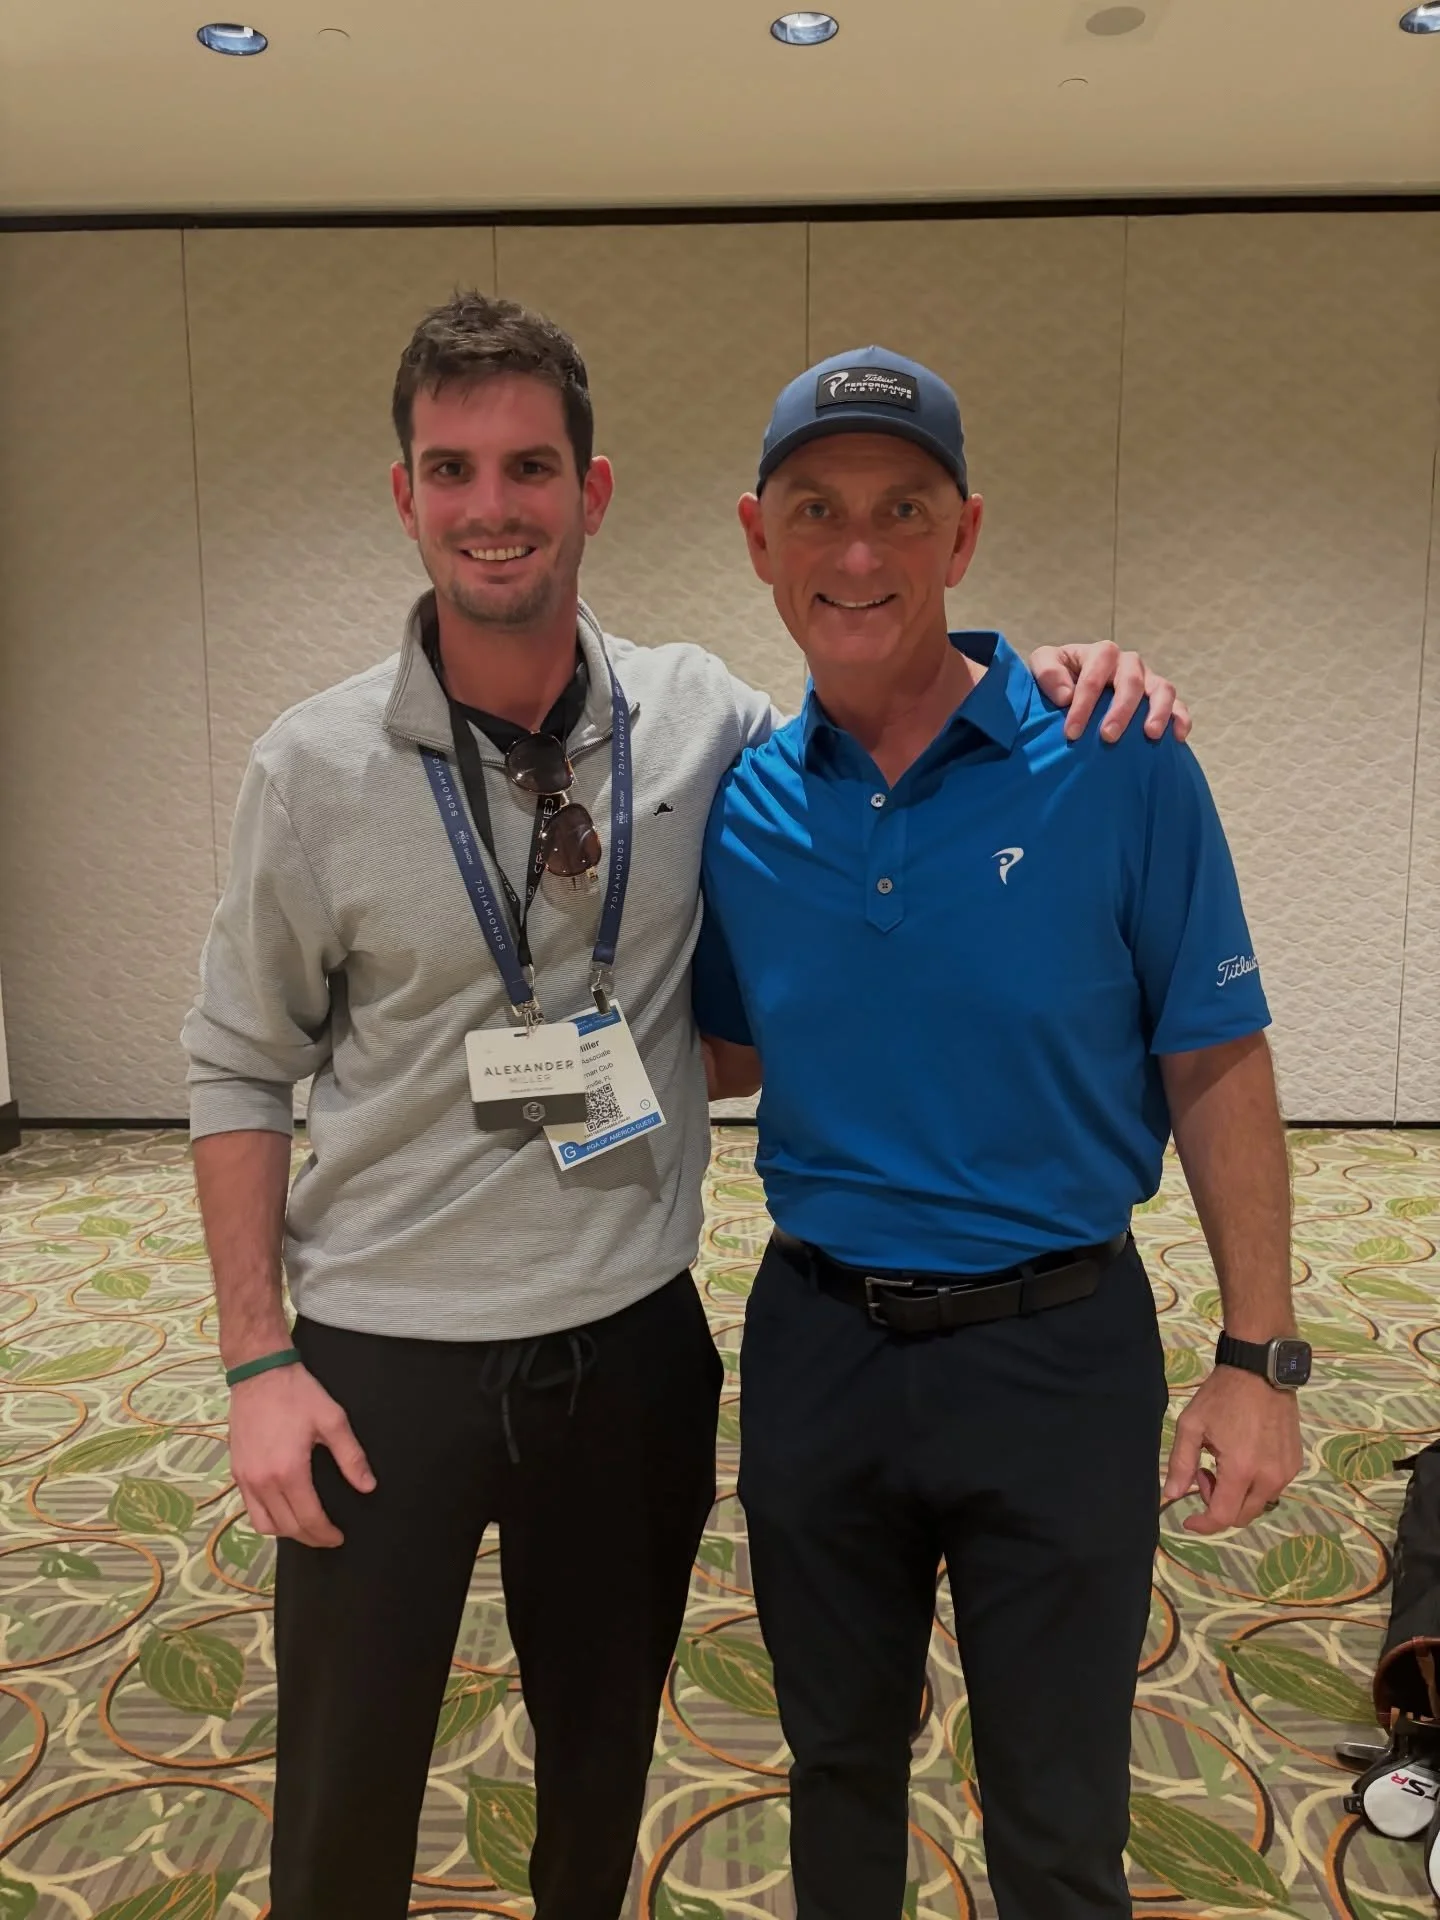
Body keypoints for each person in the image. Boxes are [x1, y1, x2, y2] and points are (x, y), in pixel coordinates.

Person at [181, 294, 1191, 1920]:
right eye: (451, 468)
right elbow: (236, 1061)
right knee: (345, 1803)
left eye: (529, 466)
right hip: (378, 1360)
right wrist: (255, 1360)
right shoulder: (311, 772)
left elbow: (891, 692)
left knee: (600, 1786)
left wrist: (1066, 672)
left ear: (594, 493)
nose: (491, 505)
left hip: (630, 1351)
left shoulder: (703, 718)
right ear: (406, 497)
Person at [693, 346, 1309, 1920]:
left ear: (963, 538)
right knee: (834, 1781)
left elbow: (1219, 1059)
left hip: (1059, 1354)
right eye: (814, 510)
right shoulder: (745, 803)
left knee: (1058, 1817)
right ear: (757, 540)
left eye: (904, 509)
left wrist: (1261, 1356)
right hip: (820, 1350)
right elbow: (722, 1051)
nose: (857, 552)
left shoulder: (1118, 758)